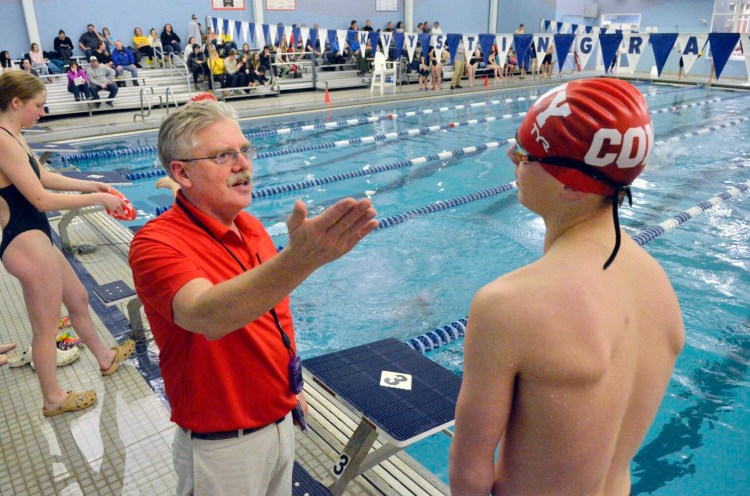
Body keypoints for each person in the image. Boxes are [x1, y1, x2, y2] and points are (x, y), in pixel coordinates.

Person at [128, 100, 378, 495]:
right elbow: (205, 315)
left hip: (280, 419)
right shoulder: (156, 243)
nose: (243, 164)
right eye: (224, 155)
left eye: (245, 151)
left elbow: (273, 314)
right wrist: (300, 261)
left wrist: (290, 389)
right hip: (223, 448)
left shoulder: (251, 226)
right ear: (181, 172)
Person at [449, 78, 684, 496]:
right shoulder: (660, 289)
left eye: (525, 153)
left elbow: (470, 475)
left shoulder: (508, 305)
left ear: (572, 184)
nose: (510, 156)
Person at [0, 71, 136, 416]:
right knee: (45, 328)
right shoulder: (1, 140)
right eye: (38, 106)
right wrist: (97, 203)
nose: (42, 112)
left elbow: (42, 177)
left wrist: (91, 185)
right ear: (16, 102)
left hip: (35, 237)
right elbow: (41, 199)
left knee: (78, 298)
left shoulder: (14, 134)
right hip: (23, 240)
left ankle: (105, 358)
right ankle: (53, 399)